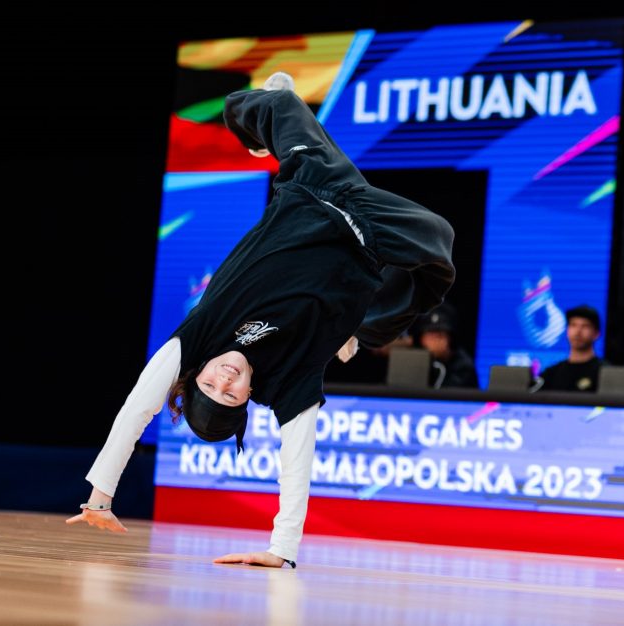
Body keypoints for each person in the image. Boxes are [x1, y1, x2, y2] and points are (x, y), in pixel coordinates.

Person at [65, 72, 455, 567]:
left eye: (209, 385)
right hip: (369, 236)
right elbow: (296, 464)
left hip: (312, 188)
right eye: (229, 394)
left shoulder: (198, 339)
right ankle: (364, 329)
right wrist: (282, 551)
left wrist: (100, 495)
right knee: (440, 247)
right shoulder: (290, 382)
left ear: (195, 376)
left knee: (267, 104)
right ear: (250, 397)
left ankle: (260, 138)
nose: (223, 379)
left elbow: (138, 408)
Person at [408, 303, 478, 388]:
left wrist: (441, 359)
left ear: (450, 338)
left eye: (440, 335)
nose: (435, 342)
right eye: (430, 335)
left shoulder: (463, 366)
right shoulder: (408, 360)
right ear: (421, 338)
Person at [539, 304, 604, 392]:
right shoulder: (550, 373)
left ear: (596, 334)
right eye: (573, 325)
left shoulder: (604, 372)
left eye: (585, 326)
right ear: (567, 331)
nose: (578, 332)